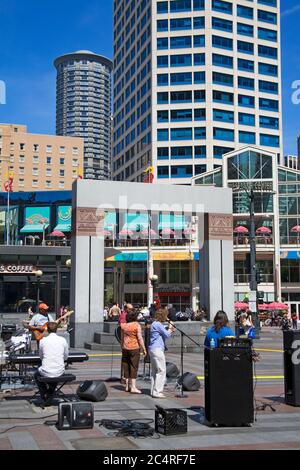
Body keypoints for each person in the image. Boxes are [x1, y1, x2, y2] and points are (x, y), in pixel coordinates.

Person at [34, 322, 69, 405]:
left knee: (36, 375)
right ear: (56, 330)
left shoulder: (43, 341)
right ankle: (49, 394)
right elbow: (66, 357)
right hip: (59, 370)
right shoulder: (63, 340)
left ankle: (45, 395)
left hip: (46, 370)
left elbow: (41, 357)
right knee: (56, 373)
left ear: (47, 330)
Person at [149, 308, 176, 398]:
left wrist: (168, 328)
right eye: (166, 315)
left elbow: (162, 332)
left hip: (153, 349)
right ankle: (158, 391)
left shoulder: (154, 324)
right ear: (163, 316)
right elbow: (167, 334)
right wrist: (171, 329)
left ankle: (153, 390)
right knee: (162, 370)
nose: (166, 317)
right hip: (157, 349)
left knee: (155, 371)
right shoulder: (158, 324)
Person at [120, 310, 147, 394]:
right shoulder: (136, 325)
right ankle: (133, 387)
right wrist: (144, 348)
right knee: (134, 366)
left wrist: (122, 346)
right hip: (134, 348)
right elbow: (139, 338)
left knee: (126, 366)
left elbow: (122, 337)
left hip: (125, 348)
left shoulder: (123, 326)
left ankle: (127, 386)